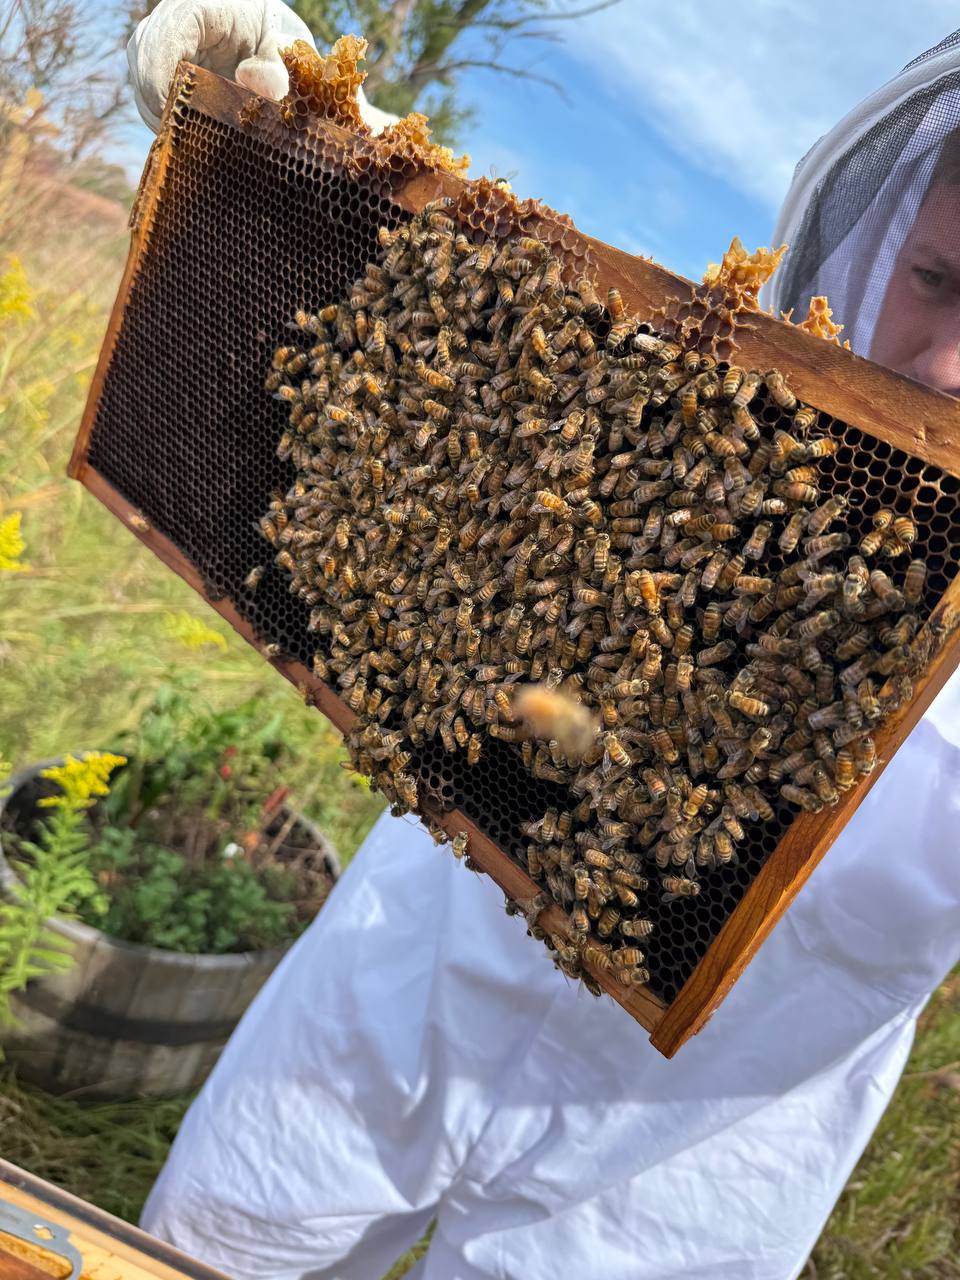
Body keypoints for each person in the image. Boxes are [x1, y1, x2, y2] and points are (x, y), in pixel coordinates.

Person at [130, 6, 960, 1277]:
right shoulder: (696, 418)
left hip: (675, 1174)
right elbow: (430, 377)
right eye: (942, 280)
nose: (950, 365)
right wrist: (295, 155)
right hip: (405, 984)